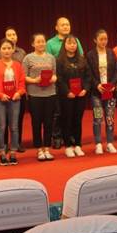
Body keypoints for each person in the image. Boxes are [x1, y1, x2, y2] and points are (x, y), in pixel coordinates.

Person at [46, 17, 83, 149]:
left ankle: (71, 135)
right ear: (56, 27)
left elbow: (81, 58)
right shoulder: (50, 43)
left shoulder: (76, 40)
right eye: (62, 25)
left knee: (73, 112)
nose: (66, 27)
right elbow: (49, 61)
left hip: (74, 81)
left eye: (67, 24)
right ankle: (57, 137)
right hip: (59, 80)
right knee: (58, 112)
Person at [0, 38, 26, 166]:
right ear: (0, 50)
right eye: (4, 48)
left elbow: (22, 83)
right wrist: (0, 95)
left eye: (9, 48)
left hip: (15, 99)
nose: (6, 51)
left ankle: (13, 152)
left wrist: (18, 93)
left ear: (13, 49)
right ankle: (2, 153)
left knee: (14, 127)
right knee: (1, 127)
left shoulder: (18, 65)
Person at [23, 33, 58, 161]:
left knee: (49, 122)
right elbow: (23, 77)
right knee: (36, 122)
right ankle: (39, 149)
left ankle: (47, 148)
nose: (41, 44)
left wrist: (53, 78)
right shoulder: (28, 58)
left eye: (43, 41)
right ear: (33, 44)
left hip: (50, 93)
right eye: (38, 42)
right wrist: (34, 80)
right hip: (35, 94)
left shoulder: (51, 58)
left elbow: (55, 74)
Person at [56, 35, 91, 158]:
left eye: (74, 43)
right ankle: (68, 146)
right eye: (69, 43)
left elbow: (88, 76)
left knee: (77, 120)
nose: (72, 45)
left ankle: (78, 145)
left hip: (80, 95)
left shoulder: (82, 59)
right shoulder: (60, 60)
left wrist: (85, 89)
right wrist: (67, 92)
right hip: (67, 96)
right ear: (64, 45)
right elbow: (59, 79)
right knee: (67, 120)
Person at [87, 29, 117, 154]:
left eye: (105, 39)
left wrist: (113, 84)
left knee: (110, 117)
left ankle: (110, 143)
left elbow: (116, 71)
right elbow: (89, 73)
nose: (104, 41)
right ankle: (98, 143)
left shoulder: (111, 53)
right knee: (98, 117)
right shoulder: (90, 55)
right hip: (97, 93)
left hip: (110, 92)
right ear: (95, 40)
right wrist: (97, 85)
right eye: (101, 39)